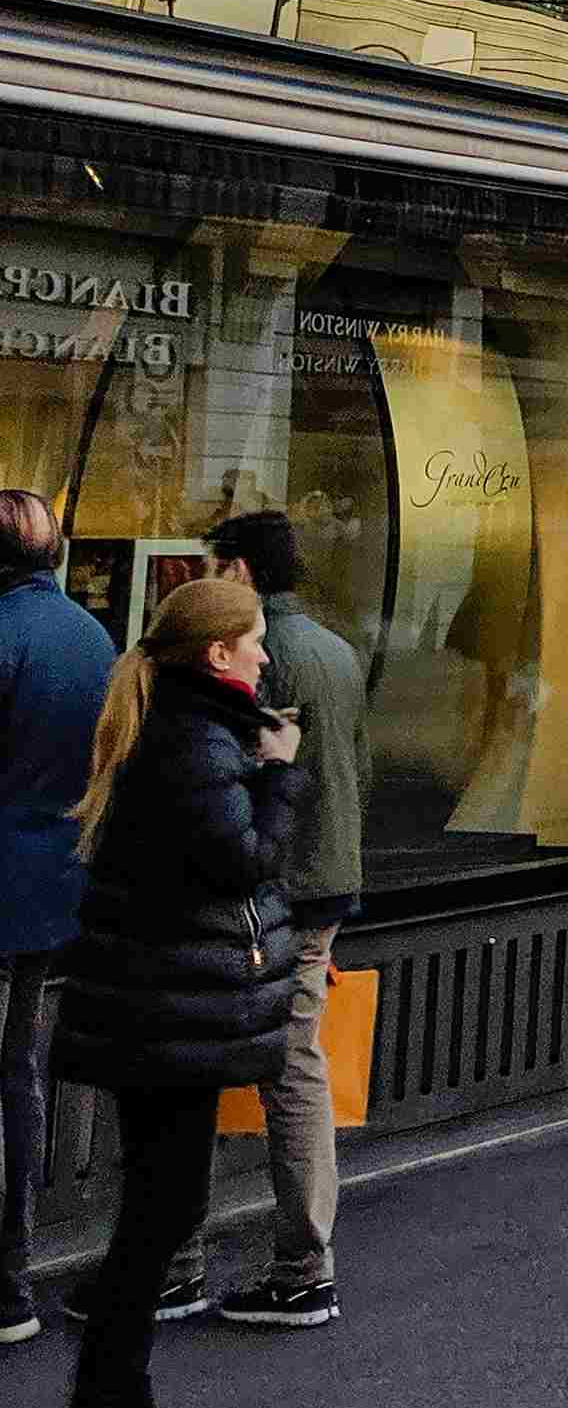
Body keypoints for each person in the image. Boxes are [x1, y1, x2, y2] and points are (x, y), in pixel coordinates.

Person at [48, 574, 302, 1408]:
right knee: (154, 1223)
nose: (267, 655)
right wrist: (280, 775)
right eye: (256, 639)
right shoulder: (196, 738)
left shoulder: (184, 724)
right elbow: (239, 863)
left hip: (161, 1003)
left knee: (160, 1216)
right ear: (217, 653)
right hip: (166, 1009)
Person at [172, 511, 364, 1336]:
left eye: (217, 569)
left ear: (241, 573)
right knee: (294, 1061)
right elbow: (359, 767)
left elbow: (233, 789)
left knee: (236, 1062)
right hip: (323, 882)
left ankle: (245, 1269)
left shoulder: (257, 654)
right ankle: (297, 1267)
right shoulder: (338, 649)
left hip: (264, 890)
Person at [0, 493, 109, 1350]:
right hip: (53, 885)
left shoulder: (2, 634)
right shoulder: (89, 636)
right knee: (19, 1075)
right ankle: (15, 1271)